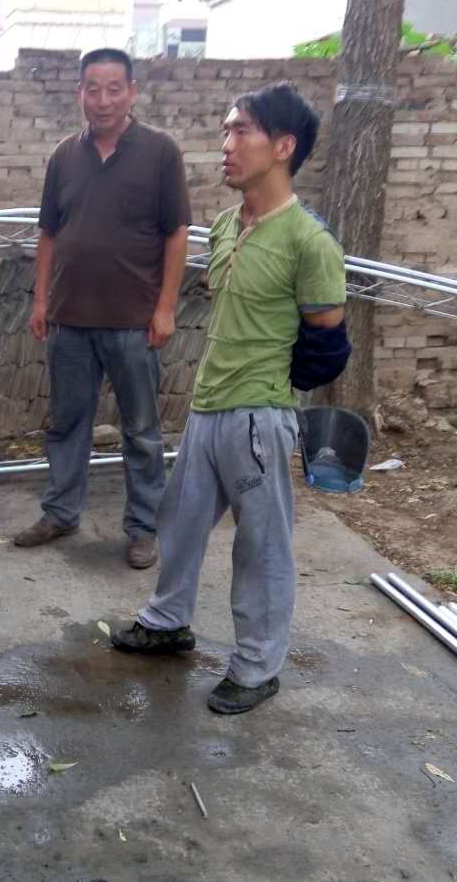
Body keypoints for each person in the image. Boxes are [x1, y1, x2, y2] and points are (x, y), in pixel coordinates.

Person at [110, 82, 348, 715]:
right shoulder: (222, 227)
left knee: (261, 546)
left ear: (284, 146)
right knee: (179, 523)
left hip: (259, 416)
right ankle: (167, 622)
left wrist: (275, 393)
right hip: (207, 406)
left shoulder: (309, 241)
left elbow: (328, 343)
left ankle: (257, 667)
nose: (226, 144)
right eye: (225, 130)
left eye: (241, 130)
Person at [13, 48, 192, 570]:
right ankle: (61, 512)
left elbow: (177, 233)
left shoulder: (160, 151)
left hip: (134, 321)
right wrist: (41, 300)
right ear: (80, 94)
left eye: (114, 88)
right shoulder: (64, 155)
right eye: (93, 89)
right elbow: (49, 233)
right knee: (67, 423)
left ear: (132, 92)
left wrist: (166, 307)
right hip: (70, 317)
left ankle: (143, 527)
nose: (103, 99)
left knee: (141, 430)